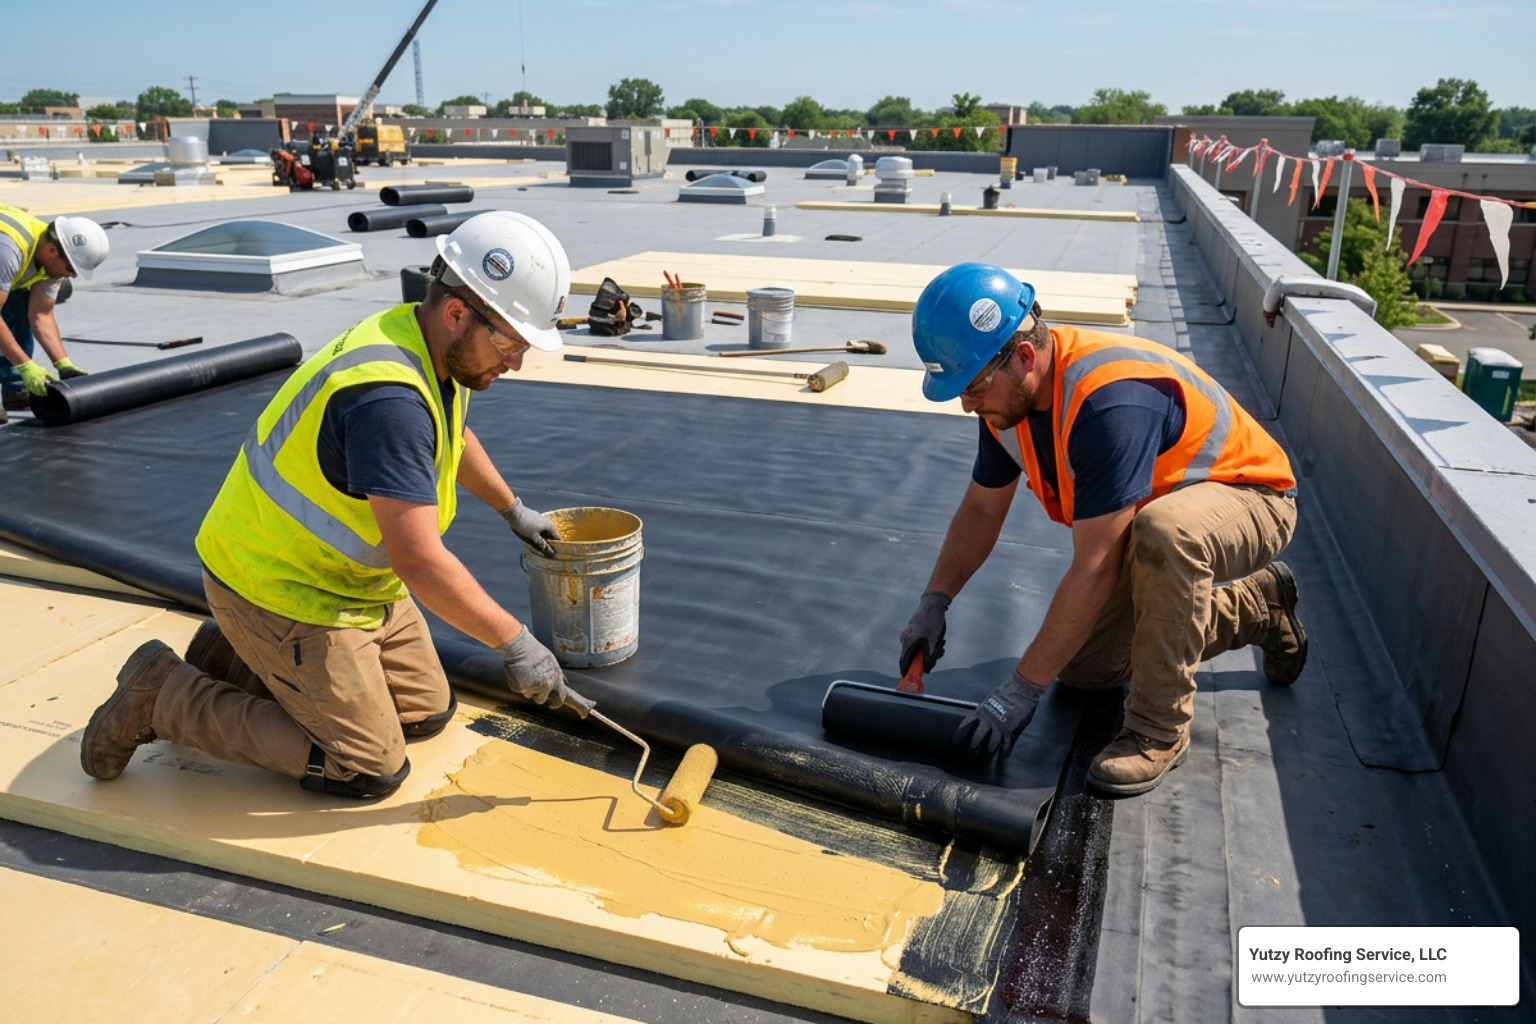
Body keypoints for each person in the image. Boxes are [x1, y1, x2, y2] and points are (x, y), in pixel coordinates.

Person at [80, 211, 584, 799]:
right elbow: (420, 561)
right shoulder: (387, 401)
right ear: (457, 313)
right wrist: (514, 643)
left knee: (425, 714)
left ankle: (237, 655)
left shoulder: (424, 340)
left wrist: (512, 508)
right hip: (283, 587)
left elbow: (450, 435)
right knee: (368, 767)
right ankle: (163, 694)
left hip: (349, 584)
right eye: (511, 342)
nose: (516, 361)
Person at [900, 264, 1306, 796]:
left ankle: (1158, 731)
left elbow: (1095, 566)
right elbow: (980, 510)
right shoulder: (1006, 401)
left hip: (1252, 497)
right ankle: (1257, 607)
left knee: (1166, 532)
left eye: (973, 386)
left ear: (1023, 357)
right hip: (1158, 523)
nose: (966, 404)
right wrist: (936, 600)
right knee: (1086, 671)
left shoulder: (1109, 400)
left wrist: (1021, 690)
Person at [0, 205, 109, 420]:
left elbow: (41, 314)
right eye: (70, 269)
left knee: (18, 307)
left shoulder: (50, 253)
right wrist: (26, 366)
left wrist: (63, 364)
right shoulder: (9, 251)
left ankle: (14, 389)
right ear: (52, 251)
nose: (72, 276)